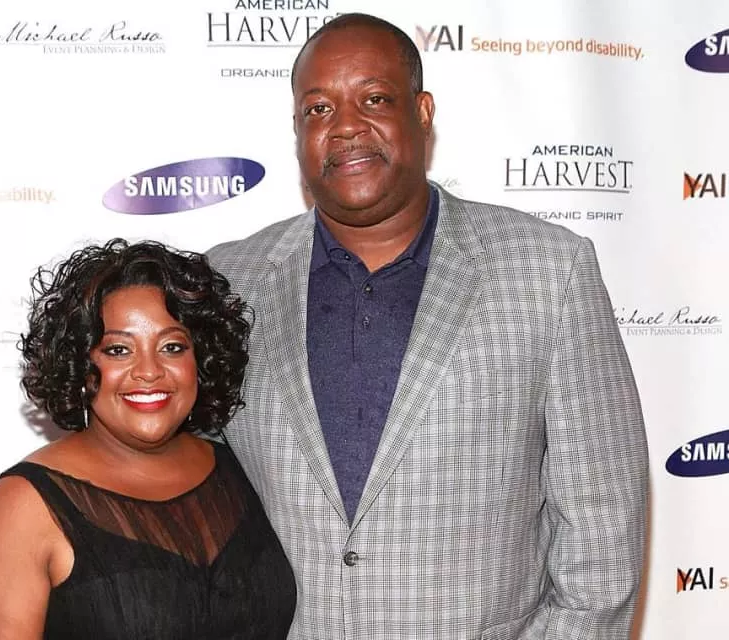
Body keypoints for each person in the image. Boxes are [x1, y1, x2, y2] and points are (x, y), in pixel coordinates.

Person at [207, 12, 649, 639]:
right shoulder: (229, 282)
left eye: (374, 99)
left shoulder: (548, 269)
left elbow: (604, 531)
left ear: (422, 111)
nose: (346, 126)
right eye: (319, 109)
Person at [0, 239, 296, 639]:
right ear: (80, 365)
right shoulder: (23, 506)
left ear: (200, 360)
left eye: (172, 347)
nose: (149, 371)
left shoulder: (238, 466)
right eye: (119, 350)